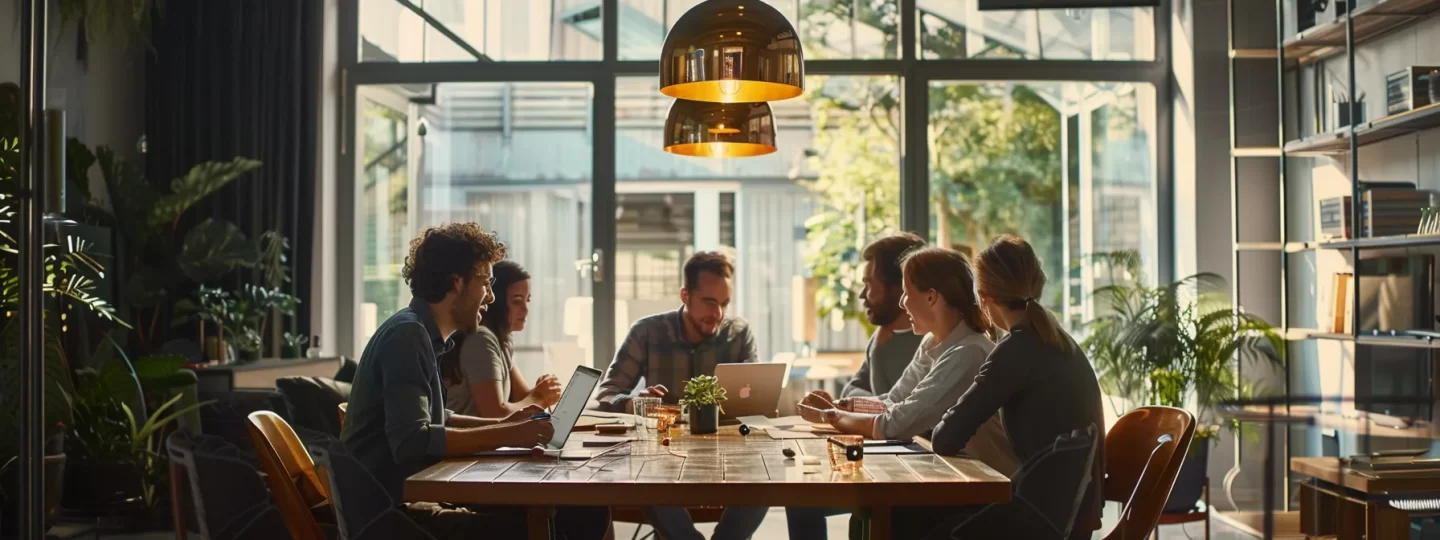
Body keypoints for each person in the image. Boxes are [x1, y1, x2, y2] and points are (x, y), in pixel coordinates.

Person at [342, 223, 610, 539]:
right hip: (392, 517)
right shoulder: (408, 336)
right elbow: (413, 442)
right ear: (457, 282)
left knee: (584, 510)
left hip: (414, 497)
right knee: (569, 519)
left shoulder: (421, 334)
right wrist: (511, 432)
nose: (490, 296)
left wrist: (511, 425)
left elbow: (441, 420)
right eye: (486, 282)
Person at [906, 235, 1105, 539]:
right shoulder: (1057, 339)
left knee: (908, 517)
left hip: (1041, 518)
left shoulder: (1017, 348)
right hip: (1068, 510)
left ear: (983, 296)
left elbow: (946, 439)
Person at [796, 247, 1019, 471]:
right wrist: (841, 406)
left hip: (992, 486)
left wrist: (830, 416)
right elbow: (894, 401)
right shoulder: (933, 342)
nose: (902, 303)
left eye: (907, 293)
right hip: (962, 477)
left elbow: (897, 424)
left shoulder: (968, 353)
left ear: (931, 297)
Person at [594, 251, 766, 540]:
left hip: (726, 457)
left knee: (766, 481)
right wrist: (635, 403)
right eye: (709, 302)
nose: (718, 314)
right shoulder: (647, 331)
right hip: (663, 459)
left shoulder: (739, 334)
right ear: (685, 295)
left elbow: (756, 400)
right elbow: (606, 396)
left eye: (724, 304)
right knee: (646, 477)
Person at [440, 260, 563, 417]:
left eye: (527, 300)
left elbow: (522, 398)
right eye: (517, 301)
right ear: (495, 301)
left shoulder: (501, 339)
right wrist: (539, 397)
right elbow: (496, 414)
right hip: (474, 439)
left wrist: (542, 390)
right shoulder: (481, 339)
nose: (525, 309)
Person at [840, 232, 928, 399]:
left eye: (869, 284)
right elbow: (850, 391)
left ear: (901, 287)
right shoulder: (882, 336)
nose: (862, 295)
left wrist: (866, 403)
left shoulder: (934, 342)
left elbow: (897, 410)